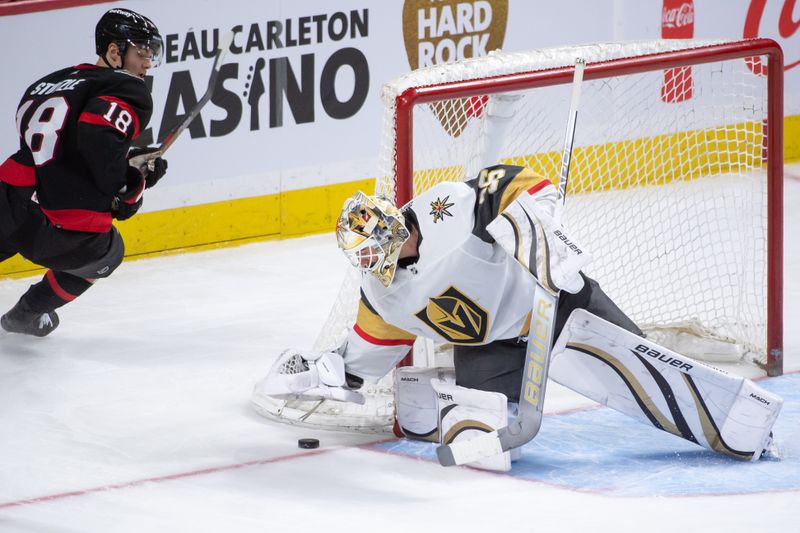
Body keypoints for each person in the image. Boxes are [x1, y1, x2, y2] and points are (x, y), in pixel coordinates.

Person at [261, 163, 781, 467]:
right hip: (490, 347)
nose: (371, 267)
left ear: (393, 230)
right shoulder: (383, 294)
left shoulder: (444, 209)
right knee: (474, 419)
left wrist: (541, 228)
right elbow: (371, 351)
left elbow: (513, 181)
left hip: (552, 303)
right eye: (363, 261)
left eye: (372, 253)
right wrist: (330, 372)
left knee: (642, 361)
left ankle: (740, 423)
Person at [0, 8, 168, 337]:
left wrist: (127, 158)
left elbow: (62, 142)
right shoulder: (129, 89)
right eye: (141, 54)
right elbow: (96, 136)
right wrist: (129, 186)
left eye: (150, 55)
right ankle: (25, 315)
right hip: (60, 218)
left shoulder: (44, 84)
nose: (147, 64)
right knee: (107, 253)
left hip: (9, 193)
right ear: (114, 52)